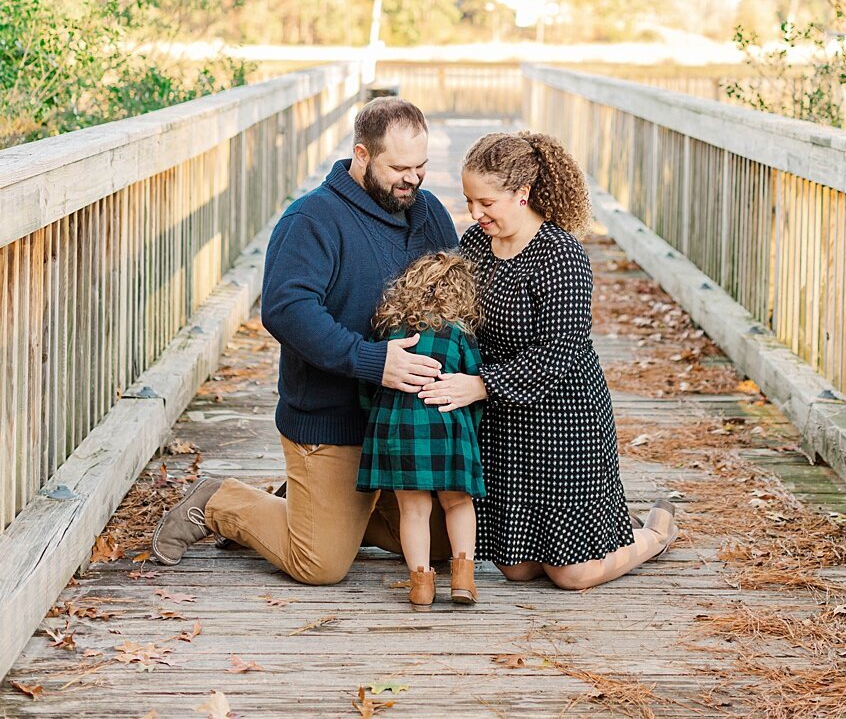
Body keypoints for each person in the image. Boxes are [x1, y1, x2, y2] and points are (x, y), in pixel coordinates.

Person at [151, 97, 458, 583]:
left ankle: (316, 507)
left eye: (421, 166)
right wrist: (372, 361)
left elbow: (454, 292)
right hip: (333, 420)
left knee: (442, 546)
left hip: (404, 424)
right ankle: (220, 499)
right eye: (399, 167)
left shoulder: (429, 213)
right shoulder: (313, 219)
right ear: (361, 155)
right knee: (320, 564)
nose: (413, 180)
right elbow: (286, 309)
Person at [418, 130, 677, 590]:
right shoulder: (477, 246)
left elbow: (562, 352)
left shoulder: (562, 255)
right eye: (469, 200)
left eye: (486, 203)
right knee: (515, 568)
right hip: (507, 420)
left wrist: (480, 385)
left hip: (564, 418)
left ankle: (653, 535)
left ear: (522, 194)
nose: (474, 214)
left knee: (571, 575)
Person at [357, 250, 485, 609]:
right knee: (458, 502)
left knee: (413, 511)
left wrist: (379, 423)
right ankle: (463, 580)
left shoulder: (387, 331)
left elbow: (368, 386)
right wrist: (468, 431)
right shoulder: (459, 332)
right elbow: (475, 384)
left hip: (400, 430)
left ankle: (421, 586)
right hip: (448, 427)